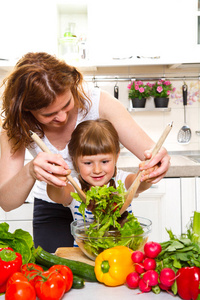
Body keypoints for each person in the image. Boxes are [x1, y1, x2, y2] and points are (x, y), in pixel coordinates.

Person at [0, 52, 171, 253]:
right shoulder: (17, 125)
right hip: (53, 207)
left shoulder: (99, 102)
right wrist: (30, 171)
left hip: (104, 207)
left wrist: (157, 163)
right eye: (49, 114)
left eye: (66, 104)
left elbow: (151, 155)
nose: (62, 117)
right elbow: (7, 202)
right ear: (27, 111)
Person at [47, 118, 157, 223]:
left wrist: (146, 174)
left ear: (116, 156)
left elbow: (139, 184)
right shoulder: (76, 187)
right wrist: (55, 181)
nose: (97, 170)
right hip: (85, 243)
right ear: (75, 160)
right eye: (88, 163)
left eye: (104, 162)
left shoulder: (122, 180)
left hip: (123, 243)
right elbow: (57, 195)